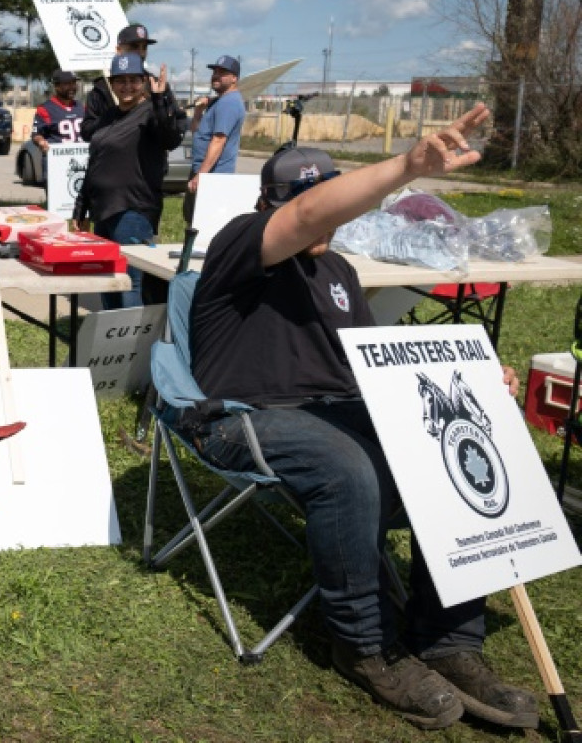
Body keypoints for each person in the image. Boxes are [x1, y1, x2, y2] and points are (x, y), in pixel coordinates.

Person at [188, 105, 538, 731]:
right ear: (268, 202)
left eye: (332, 195)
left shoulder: (341, 270)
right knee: (349, 468)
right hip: (247, 415)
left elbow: (379, 368)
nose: (326, 210)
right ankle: (363, 646)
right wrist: (406, 165)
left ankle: (450, 638)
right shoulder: (239, 240)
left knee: (456, 445)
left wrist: (476, 388)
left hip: (341, 407)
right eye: (304, 197)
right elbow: (303, 217)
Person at [72, 53, 179, 308]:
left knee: (130, 281)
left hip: (133, 211)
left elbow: (170, 137)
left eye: (133, 80)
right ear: (112, 84)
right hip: (104, 211)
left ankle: (132, 344)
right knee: (107, 279)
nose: (127, 86)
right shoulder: (109, 116)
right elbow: (95, 162)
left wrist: (161, 98)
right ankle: (112, 342)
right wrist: (81, 206)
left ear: (143, 81)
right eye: (120, 81)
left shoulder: (151, 113)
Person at [185, 54, 245, 224]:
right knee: (192, 221)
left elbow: (219, 141)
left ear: (234, 78)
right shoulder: (219, 102)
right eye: (215, 71)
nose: (216, 75)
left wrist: (201, 176)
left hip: (213, 177)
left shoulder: (229, 103)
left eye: (223, 72)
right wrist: (198, 112)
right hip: (204, 173)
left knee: (204, 226)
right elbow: (196, 131)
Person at [31, 70, 84, 164]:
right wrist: (41, 142)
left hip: (80, 160)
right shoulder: (45, 109)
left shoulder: (82, 107)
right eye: (67, 84)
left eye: (74, 83)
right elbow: (36, 134)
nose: (72, 87)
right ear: (57, 86)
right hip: (56, 162)